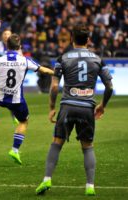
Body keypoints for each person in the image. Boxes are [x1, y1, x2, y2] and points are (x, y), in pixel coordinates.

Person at [35, 23, 113, 196]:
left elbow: (54, 87)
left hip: (67, 106)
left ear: (71, 39)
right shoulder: (98, 60)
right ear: (88, 39)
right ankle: (90, 186)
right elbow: (109, 87)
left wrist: (51, 108)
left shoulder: (63, 58)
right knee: (88, 147)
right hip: (87, 108)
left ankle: (47, 179)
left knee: (57, 142)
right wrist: (103, 106)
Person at [0, 34, 54, 165]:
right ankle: (14, 149)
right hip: (16, 99)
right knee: (24, 121)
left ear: (6, 46)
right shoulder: (25, 60)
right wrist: (59, 72)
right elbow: (44, 71)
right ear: (19, 47)